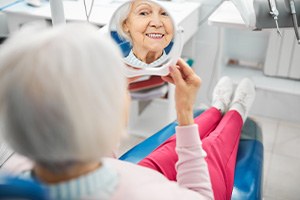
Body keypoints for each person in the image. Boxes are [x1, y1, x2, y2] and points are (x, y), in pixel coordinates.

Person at [0, 22, 256, 200]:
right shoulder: (147, 196)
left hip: (121, 172)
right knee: (211, 150)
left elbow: (101, 159)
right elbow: (200, 196)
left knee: (171, 149)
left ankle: (216, 109)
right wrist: (185, 113)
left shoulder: (13, 173)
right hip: (136, 183)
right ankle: (234, 112)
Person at [116, 0, 174, 68]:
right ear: (125, 24)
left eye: (164, 14)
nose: (157, 23)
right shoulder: (115, 70)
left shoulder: (178, 71)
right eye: (143, 13)